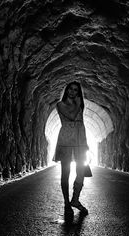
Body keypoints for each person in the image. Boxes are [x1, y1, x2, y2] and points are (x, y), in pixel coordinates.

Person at [54, 81, 89, 217]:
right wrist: (79, 103)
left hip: (80, 142)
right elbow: (72, 116)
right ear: (66, 91)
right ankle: (66, 203)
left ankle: (75, 200)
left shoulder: (79, 105)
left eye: (76, 90)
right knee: (66, 173)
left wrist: (86, 143)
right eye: (70, 89)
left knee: (81, 172)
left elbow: (81, 124)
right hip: (66, 142)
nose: (73, 92)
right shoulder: (60, 105)